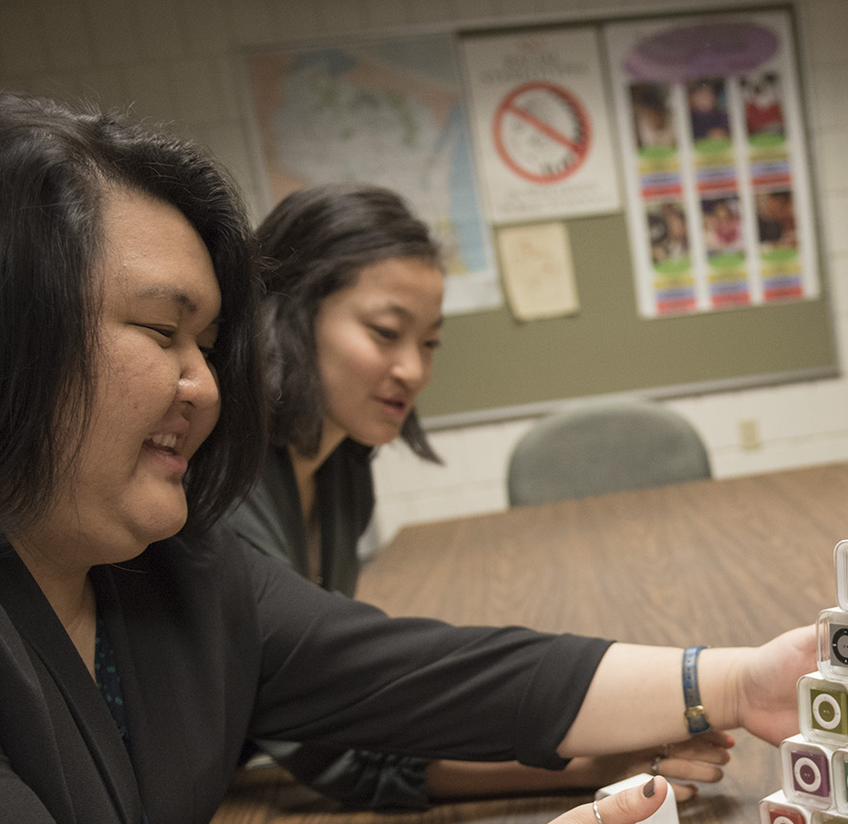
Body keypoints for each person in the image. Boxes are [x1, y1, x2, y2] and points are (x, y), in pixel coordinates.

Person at [0, 92, 811, 823]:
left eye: (208, 347)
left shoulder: (170, 565)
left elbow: (423, 673)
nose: (206, 389)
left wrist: (732, 683)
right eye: (160, 331)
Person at [225, 183, 731, 810]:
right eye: (387, 333)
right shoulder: (228, 490)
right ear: (290, 313)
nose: (414, 370)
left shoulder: (341, 467)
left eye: (430, 343)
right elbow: (342, 746)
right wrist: (579, 766)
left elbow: (350, 720)